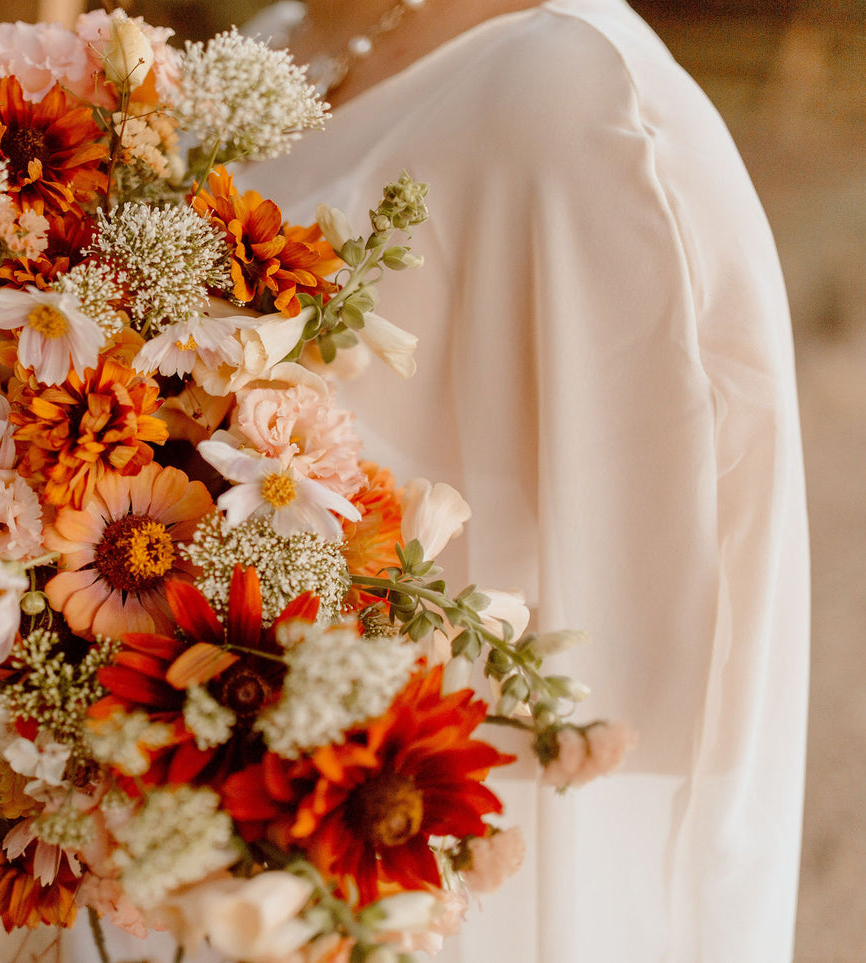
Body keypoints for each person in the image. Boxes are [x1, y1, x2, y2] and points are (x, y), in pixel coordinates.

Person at [238, 0, 809, 961]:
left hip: (396, 853)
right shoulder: (272, 36)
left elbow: (650, 648)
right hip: (181, 804)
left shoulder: (576, 92)